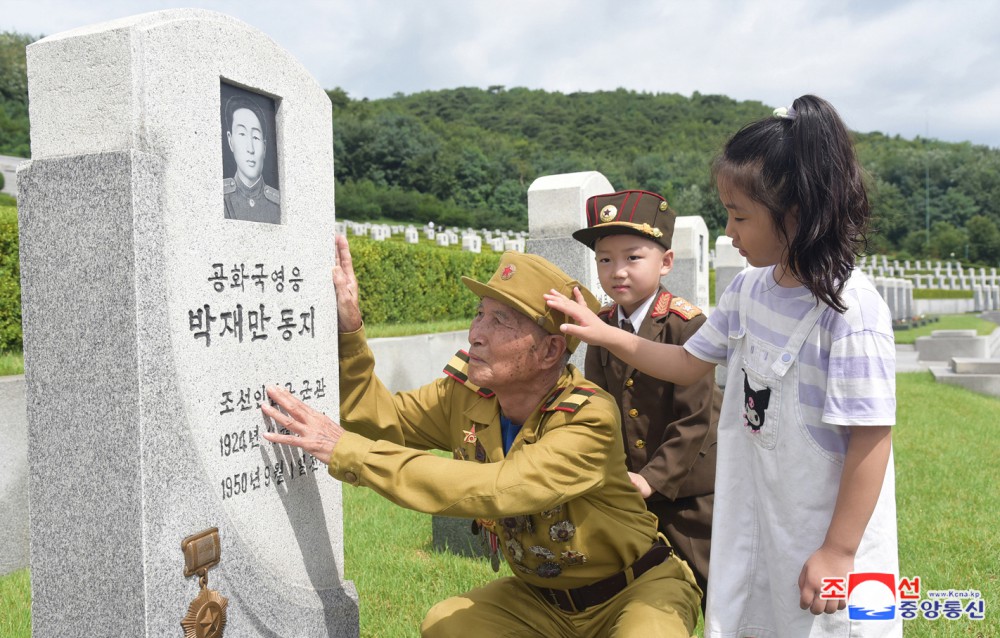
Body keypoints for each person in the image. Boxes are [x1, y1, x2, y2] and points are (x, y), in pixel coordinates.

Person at [546, 95, 900, 637]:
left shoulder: (852, 312)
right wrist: (599, 333)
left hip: (826, 524)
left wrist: (838, 549)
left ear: (796, 214)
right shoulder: (749, 289)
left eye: (739, 216)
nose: (729, 231)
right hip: (760, 510)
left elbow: (871, 438)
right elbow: (687, 363)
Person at [261, 236, 701, 637]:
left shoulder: (589, 417)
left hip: (633, 591)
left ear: (550, 350)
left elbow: (498, 488)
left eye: (501, 321)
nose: (476, 334)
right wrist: (351, 331)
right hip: (542, 602)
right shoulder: (469, 394)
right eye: (479, 314)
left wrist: (349, 453)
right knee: (447, 626)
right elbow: (381, 419)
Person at [571, 189, 720, 604]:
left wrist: (651, 479)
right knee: (638, 592)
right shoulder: (601, 326)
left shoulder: (685, 326)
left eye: (632, 257)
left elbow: (696, 419)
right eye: (605, 259)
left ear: (666, 262)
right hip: (628, 488)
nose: (617, 271)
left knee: (714, 589)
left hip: (687, 491)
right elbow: (600, 408)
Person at [223, 94, 280, 223]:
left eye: (255, 137)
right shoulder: (222, 197)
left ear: (264, 147)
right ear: (230, 140)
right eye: (242, 134)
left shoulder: (277, 204)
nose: (251, 148)